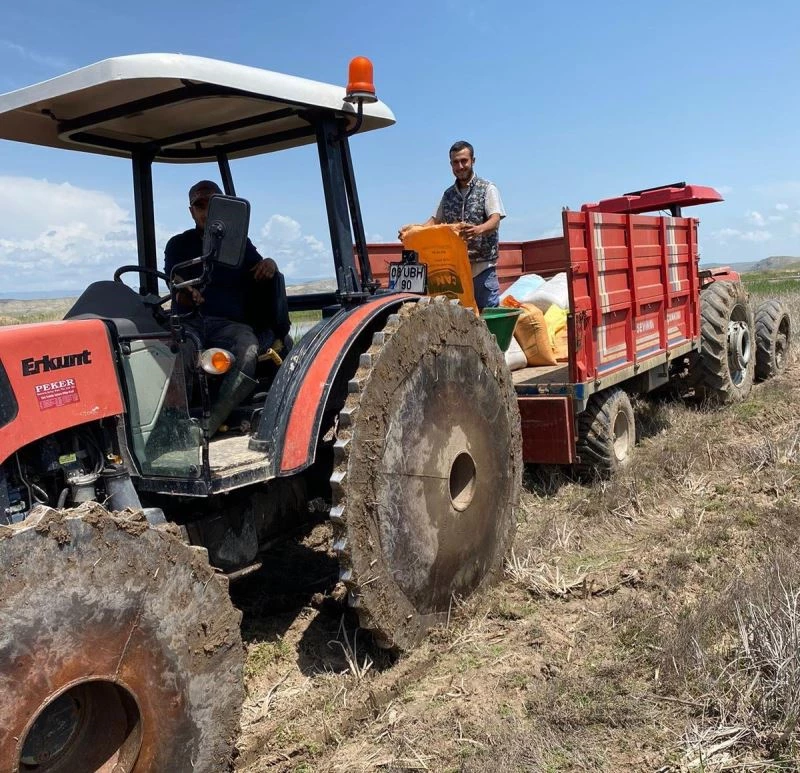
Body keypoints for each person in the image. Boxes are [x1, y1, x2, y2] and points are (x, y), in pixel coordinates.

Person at [164, 180, 290, 435]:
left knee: (248, 348)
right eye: (199, 205)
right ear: (191, 212)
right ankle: (172, 426)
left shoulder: (239, 243)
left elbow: (263, 268)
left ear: (225, 208)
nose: (206, 210)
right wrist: (185, 291)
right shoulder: (178, 244)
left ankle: (207, 426)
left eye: (213, 203)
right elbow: (173, 278)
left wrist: (271, 263)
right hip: (189, 323)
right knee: (172, 353)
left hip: (228, 325)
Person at [399, 140, 505, 309]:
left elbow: (495, 220)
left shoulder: (487, 188)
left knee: (488, 322)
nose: (460, 166)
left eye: (464, 161)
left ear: (473, 161)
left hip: (482, 269)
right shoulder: (448, 195)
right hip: (455, 272)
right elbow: (435, 221)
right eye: (456, 162)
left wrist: (478, 230)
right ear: (451, 164)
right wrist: (413, 232)